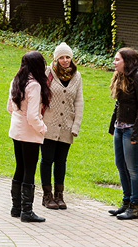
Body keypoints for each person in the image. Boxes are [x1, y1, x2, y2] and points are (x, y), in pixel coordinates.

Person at [108, 48, 138, 220]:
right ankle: (126, 202)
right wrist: (113, 125)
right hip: (121, 127)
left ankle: (135, 207)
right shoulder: (121, 76)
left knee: (134, 169)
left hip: (135, 128)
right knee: (120, 165)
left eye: (117, 59)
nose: (114, 62)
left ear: (127, 61)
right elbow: (119, 104)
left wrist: (136, 134)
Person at [7, 50, 50, 223]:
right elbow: (33, 116)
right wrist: (43, 128)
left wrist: (19, 116)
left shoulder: (16, 80)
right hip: (29, 132)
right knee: (29, 170)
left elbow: (10, 107)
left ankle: (16, 208)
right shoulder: (34, 85)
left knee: (20, 167)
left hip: (16, 130)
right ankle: (27, 211)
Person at [40, 43, 83, 210]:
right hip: (48, 124)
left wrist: (76, 125)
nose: (65, 61)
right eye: (62, 57)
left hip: (66, 125)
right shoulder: (47, 73)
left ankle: (59, 195)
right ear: (55, 59)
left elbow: (79, 101)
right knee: (47, 160)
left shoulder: (76, 76)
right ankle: (47, 195)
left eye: (68, 57)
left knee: (61, 161)